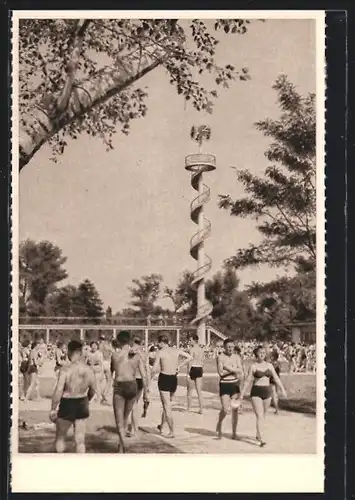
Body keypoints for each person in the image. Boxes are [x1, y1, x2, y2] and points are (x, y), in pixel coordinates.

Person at [50, 339, 96, 453]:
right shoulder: (88, 370)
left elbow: (59, 389)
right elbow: (93, 389)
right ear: (80, 353)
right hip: (82, 401)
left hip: (67, 402)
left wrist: (53, 408)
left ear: (70, 352)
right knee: (80, 440)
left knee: (60, 437)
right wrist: (87, 399)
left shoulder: (65, 369)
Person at [240, 345, 287, 447]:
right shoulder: (253, 366)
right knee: (260, 416)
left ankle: (258, 433)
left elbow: (276, 378)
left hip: (267, 392)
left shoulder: (269, 366)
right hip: (256, 392)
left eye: (263, 353)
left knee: (263, 416)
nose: (262, 355)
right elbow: (247, 381)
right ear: (256, 354)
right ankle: (261, 439)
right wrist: (242, 394)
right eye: (260, 353)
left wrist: (283, 389)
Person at [110, 331, 149, 453]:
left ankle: (122, 446)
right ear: (130, 341)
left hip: (120, 385)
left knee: (119, 419)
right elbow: (144, 375)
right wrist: (146, 392)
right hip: (132, 385)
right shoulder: (136, 356)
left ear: (119, 341)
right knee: (126, 417)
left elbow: (111, 373)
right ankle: (122, 445)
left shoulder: (114, 356)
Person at [152, 335, 192, 438]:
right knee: (167, 404)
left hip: (164, 378)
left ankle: (172, 431)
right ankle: (161, 427)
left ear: (161, 342)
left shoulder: (160, 352)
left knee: (166, 406)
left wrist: (149, 377)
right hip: (173, 378)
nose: (157, 345)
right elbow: (190, 357)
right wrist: (179, 366)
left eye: (158, 343)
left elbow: (155, 369)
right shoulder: (176, 350)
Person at [216, 338, 244, 440]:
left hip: (235, 384)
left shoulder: (237, 357)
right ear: (224, 347)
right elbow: (221, 373)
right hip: (224, 384)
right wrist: (233, 370)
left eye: (232, 347)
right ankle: (219, 423)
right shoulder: (220, 357)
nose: (230, 349)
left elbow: (240, 370)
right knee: (225, 408)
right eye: (228, 347)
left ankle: (234, 433)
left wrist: (228, 368)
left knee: (235, 409)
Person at [127, 337, 149, 437]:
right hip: (141, 379)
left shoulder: (131, 351)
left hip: (132, 379)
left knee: (132, 406)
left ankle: (133, 429)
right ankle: (135, 427)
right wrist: (146, 386)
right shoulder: (144, 354)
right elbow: (147, 370)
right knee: (135, 404)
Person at [186, 334, 204, 414]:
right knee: (199, 391)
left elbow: (190, 361)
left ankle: (189, 408)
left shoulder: (192, 349)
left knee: (189, 390)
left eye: (190, 340)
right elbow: (203, 361)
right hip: (200, 368)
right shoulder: (201, 349)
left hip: (193, 368)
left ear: (194, 340)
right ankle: (201, 409)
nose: (189, 342)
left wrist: (188, 373)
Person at [99, 334, 114, 404]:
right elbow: (113, 352)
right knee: (109, 380)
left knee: (100, 380)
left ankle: (101, 395)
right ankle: (104, 393)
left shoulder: (99, 346)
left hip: (101, 364)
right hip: (107, 363)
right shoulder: (107, 346)